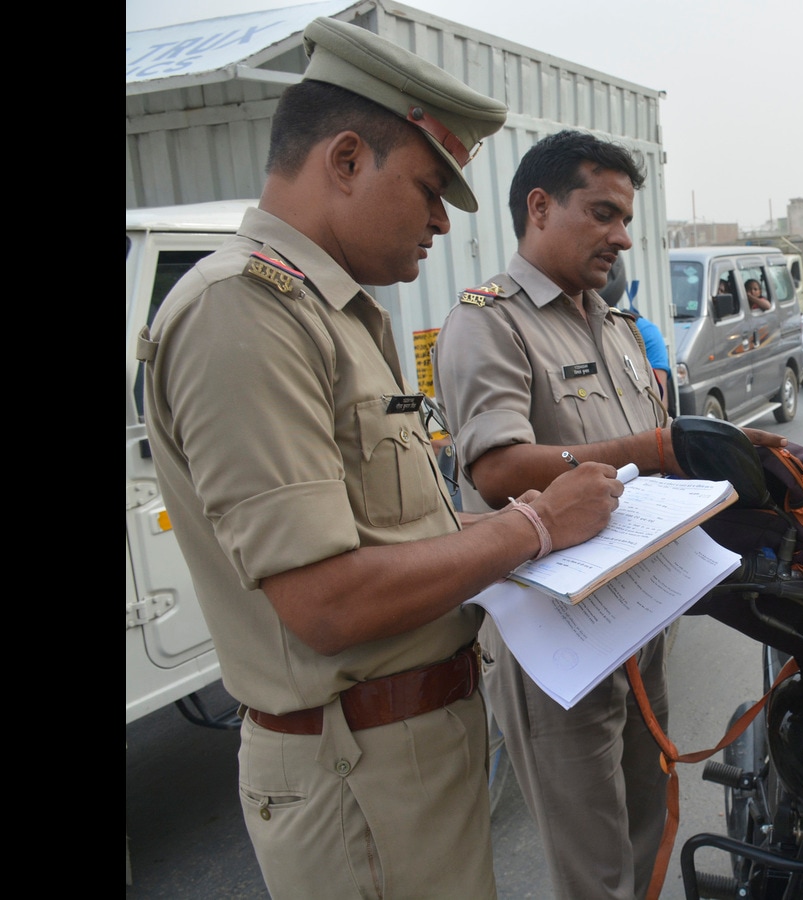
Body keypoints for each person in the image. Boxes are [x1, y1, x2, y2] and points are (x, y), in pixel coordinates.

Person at [137, 17, 625, 899]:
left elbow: (393, 535)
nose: (442, 221)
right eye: (432, 188)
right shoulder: (242, 313)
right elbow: (325, 601)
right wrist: (535, 526)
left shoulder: (333, 315)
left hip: (407, 752)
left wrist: (511, 536)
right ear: (348, 159)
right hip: (357, 770)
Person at [433, 129, 785, 900]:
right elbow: (494, 469)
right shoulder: (490, 323)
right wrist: (658, 446)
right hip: (555, 642)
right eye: (603, 213)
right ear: (539, 208)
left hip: (636, 621)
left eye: (627, 217)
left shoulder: (620, 328)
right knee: (593, 867)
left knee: (648, 831)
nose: (622, 237)